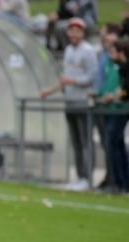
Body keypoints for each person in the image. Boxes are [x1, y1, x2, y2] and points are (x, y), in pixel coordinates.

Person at [41, 18, 98, 191]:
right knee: (76, 142)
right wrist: (50, 90)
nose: (74, 34)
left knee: (86, 141)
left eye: (77, 30)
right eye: (71, 30)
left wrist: (73, 80)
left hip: (83, 102)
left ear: (83, 33)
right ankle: (80, 176)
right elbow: (65, 79)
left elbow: (91, 78)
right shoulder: (68, 51)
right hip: (70, 101)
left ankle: (88, 178)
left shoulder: (88, 51)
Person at [94, 24, 121, 190]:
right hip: (103, 104)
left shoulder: (117, 60)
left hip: (116, 107)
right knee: (108, 143)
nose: (103, 37)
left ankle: (119, 180)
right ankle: (111, 177)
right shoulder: (104, 56)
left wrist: (114, 95)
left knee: (114, 142)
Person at [103, 40, 129, 193]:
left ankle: (122, 181)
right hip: (120, 108)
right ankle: (121, 182)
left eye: (114, 52)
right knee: (116, 143)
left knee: (115, 142)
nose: (111, 55)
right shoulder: (121, 69)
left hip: (123, 110)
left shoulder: (126, 67)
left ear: (121, 52)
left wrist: (115, 96)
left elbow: (125, 90)